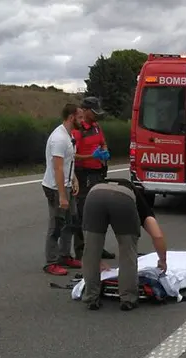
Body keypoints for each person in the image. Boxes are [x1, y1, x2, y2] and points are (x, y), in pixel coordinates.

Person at [80, 178, 168, 311]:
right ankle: (128, 299)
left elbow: (88, 242)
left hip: (94, 196)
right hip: (123, 200)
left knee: (91, 250)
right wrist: (162, 260)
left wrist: (97, 260)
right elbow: (157, 235)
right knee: (128, 250)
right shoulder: (141, 204)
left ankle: (91, 298)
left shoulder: (99, 187)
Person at [71, 96, 115, 261]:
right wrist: (91, 155)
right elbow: (71, 155)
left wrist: (104, 150)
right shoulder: (78, 130)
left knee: (99, 212)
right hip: (83, 175)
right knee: (82, 213)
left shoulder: (96, 127)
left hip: (98, 173)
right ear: (86, 110)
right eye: (94, 112)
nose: (96, 115)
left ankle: (97, 247)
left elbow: (102, 142)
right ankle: (81, 250)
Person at [41, 104, 82, 276]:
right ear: (72, 117)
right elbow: (57, 168)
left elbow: (67, 162)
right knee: (56, 225)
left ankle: (65, 255)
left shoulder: (69, 135)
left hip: (65, 184)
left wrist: (74, 178)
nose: (82, 120)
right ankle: (51, 262)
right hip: (55, 187)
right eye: (80, 117)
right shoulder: (59, 138)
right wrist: (62, 196)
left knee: (71, 221)